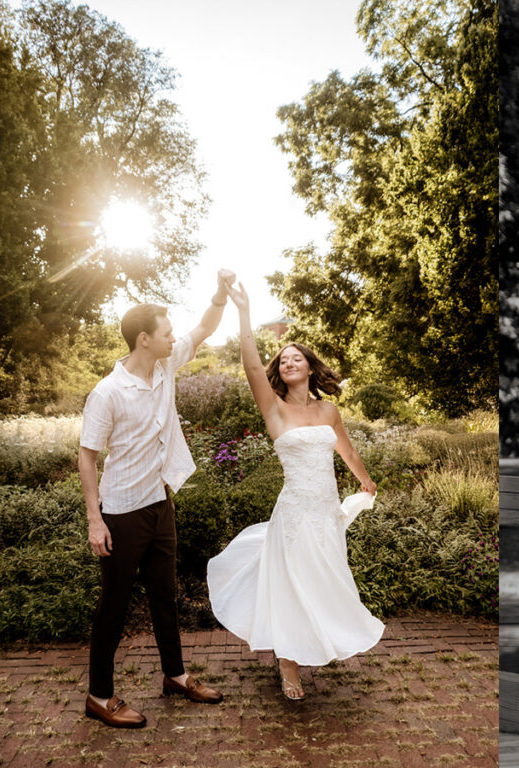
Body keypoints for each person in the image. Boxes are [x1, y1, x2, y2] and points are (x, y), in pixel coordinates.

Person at [206, 282, 383, 701]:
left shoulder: (327, 410)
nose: (288, 362)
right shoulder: (274, 408)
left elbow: (346, 448)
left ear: (309, 366)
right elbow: (252, 368)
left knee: (325, 580)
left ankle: (317, 640)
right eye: (282, 359)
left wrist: (364, 478)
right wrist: (244, 313)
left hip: (326, 513)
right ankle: (288, 664)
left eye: (295, 357)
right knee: (290, 582)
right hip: (293, 513)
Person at [79, 272, 233, 728]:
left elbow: (204, 328)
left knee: (165, 596)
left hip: (159, 502)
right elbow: (87, 457)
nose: (173, 338)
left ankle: (176, 676)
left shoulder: (164, 366)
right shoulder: (106, 393)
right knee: (116, 603)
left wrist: (219, 295)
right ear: (143, 340)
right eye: (166, 333)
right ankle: (99, 696)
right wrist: (95, 520)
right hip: (121, 511)